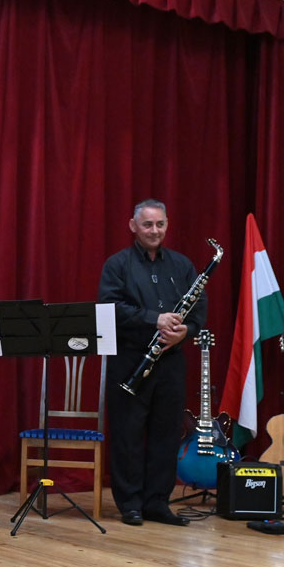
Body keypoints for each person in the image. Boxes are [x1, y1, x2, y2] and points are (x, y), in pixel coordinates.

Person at [98, 199, 205, 527]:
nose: (154, 230)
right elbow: (109, 308)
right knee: (128, 435)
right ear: (133, 226)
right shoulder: (117, 265)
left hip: (170, 362)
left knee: (166, 434)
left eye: (160, 224)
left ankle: (157, 503)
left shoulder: (182, 265)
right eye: (147, 224)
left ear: (167, 224)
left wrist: (185, 332)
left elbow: (198, 311)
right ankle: (130, 504)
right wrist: (154, 319)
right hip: (129, 360)